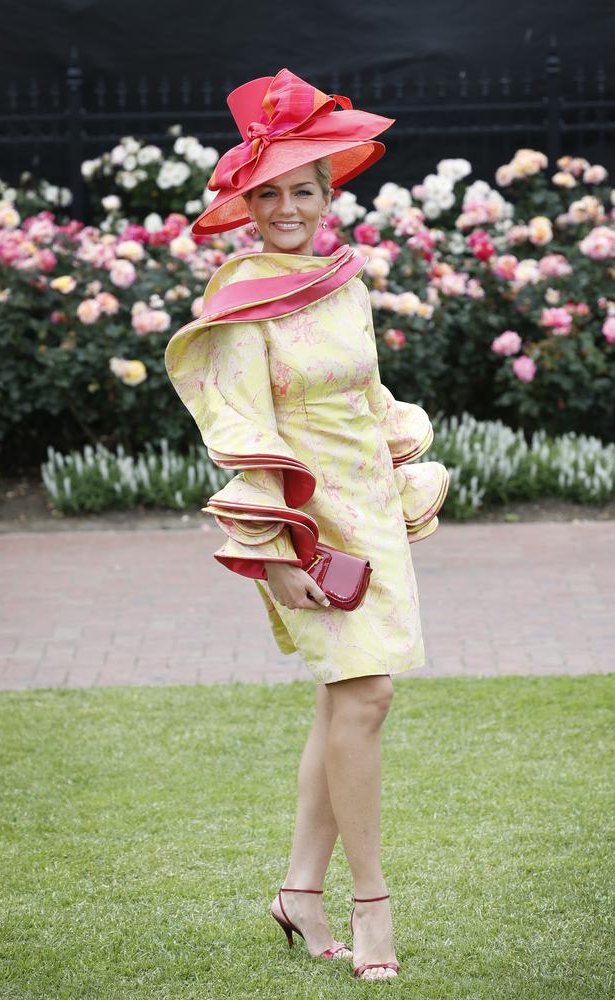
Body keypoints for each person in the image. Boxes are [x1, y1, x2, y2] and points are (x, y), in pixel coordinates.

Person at [165, 68, 449, 982]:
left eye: (303, 190)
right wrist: (272, 549)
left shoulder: (345, 280)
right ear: (246, 202)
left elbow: (368, 395)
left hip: (373, 517)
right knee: (364, 699)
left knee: (348, 702)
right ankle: (371, 907)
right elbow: (243, 431)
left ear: (329, 195)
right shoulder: (241, 300)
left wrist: (403, 473)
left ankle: (296, 889)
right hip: (311, 530)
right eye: (270, 193)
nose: (286, 208)